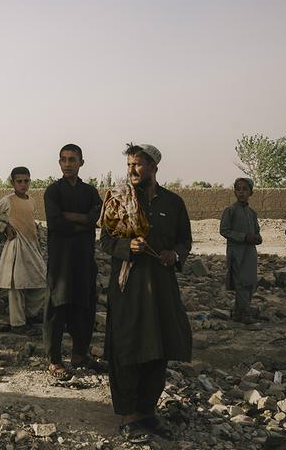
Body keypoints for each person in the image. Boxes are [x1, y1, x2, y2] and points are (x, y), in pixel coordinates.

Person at [99, 144, 192, 445]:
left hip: (162, 285)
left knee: (159, 347)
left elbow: (184, 241)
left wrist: (174, 255)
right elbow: (106, 242)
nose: (132, 170)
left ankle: (147, 411)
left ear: (154, 166)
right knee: (127, 347)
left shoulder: (174, 202)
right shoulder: (116, 200)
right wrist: (128, 248)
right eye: (129, 165)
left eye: (138, 164)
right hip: (129, 284)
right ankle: (128, 417)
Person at [43, 145, 103, 379]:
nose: (67, 164)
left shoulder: (90, 192)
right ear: (59, 163)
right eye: (64, 160)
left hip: (84, 259)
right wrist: (84, 222)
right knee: (57, 308)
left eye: (72, 160)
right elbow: (55, 222)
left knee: (84, 307)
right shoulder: (53, 191)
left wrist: (73, 217)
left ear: (81, 163)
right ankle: (54, 360)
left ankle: (80, 354)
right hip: (61, 261)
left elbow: (97, 217)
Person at [0, 166, 47, 333]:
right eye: (19, 181)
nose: (23, 184)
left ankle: (29, 315)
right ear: (13, 182)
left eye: (26, 181)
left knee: (42, 282)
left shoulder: (32, 200)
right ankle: (18, 324)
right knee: (16, 286)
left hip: (32, 247)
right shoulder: (8, 200)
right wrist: (4, 227)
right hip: (16, 246)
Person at [219, 177, 262, 325]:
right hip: (237, 253)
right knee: (241, 283)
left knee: (250, 282)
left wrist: (257, 237)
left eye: (245, 189)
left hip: (250, 252)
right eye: (238, 189)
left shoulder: (252, 213)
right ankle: (244, 313)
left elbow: (256, 230)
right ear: (234, 192)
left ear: (251, 192)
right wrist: (244, 237)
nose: (241, 192)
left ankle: (239, 313)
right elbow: (224, 230)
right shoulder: (230, 210)